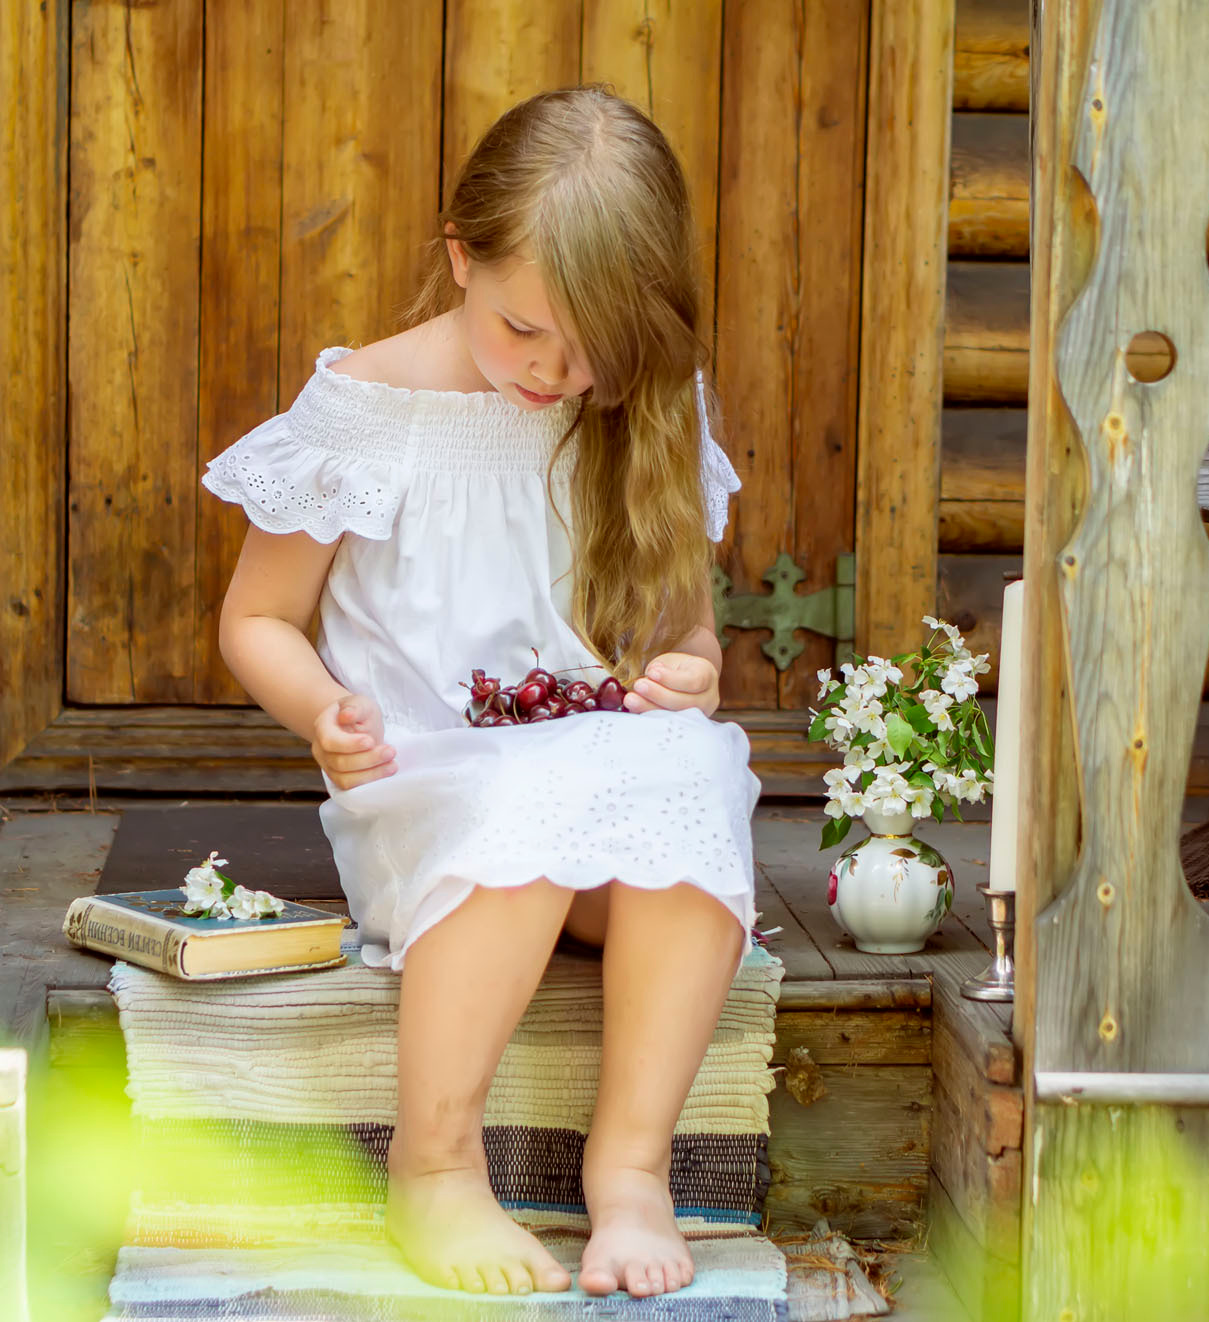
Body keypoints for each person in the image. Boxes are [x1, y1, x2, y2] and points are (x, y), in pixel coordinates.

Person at [205, 86, 760, 1301]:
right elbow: (253, 619)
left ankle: (630, 1167)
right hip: (437, 794)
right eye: (523, 330)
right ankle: (438, 1163)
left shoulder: (639, 403)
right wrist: (319, 712)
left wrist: (690, 667)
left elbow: (682, 624)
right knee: (534, 794)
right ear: (459, 258)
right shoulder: (370, 410)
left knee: (688, 772)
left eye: (590, 349)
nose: (553, 372)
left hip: (594, 794)